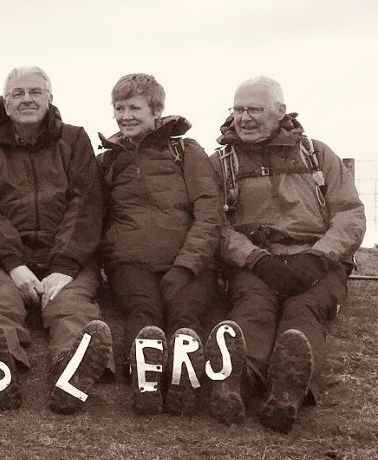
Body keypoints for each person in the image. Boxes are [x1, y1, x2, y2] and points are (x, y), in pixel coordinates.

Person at [210, 76, 364, 433]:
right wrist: (253, 258)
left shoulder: (318, 153)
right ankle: (238, 382)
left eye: (254, 109)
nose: (243, 118)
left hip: (315, 260)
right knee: (251, 307)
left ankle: (288, 393)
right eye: (237, 109)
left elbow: (350, 214)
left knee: (305, 311)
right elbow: (213, 224)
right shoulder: (219, 163)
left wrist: (319, 257)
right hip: (255, 263)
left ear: (280, 112)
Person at [0, 66, 112, 414]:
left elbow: (85, 204)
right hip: (3, 259)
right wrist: (13, 264)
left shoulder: (75, 140)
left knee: (71, 304)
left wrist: (63, 267)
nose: (27, 99)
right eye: (17, 93)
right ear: (5, 103)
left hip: (66, 256)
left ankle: (72, 367)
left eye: (35, 92)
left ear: (50, 97)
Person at [96, 74, 224, 416]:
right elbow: (97, 216)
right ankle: (146, 383)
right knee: (144, 313)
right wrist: (111, 253)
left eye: (134, 108)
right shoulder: (108, 160)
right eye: (119, 108)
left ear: (157, 110)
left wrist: (186, 266)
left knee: (185, 316)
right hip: (131, 262)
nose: (125, 116)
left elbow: (209, 212)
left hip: (188, 263)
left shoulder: (185, 151)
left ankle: (184, 384)